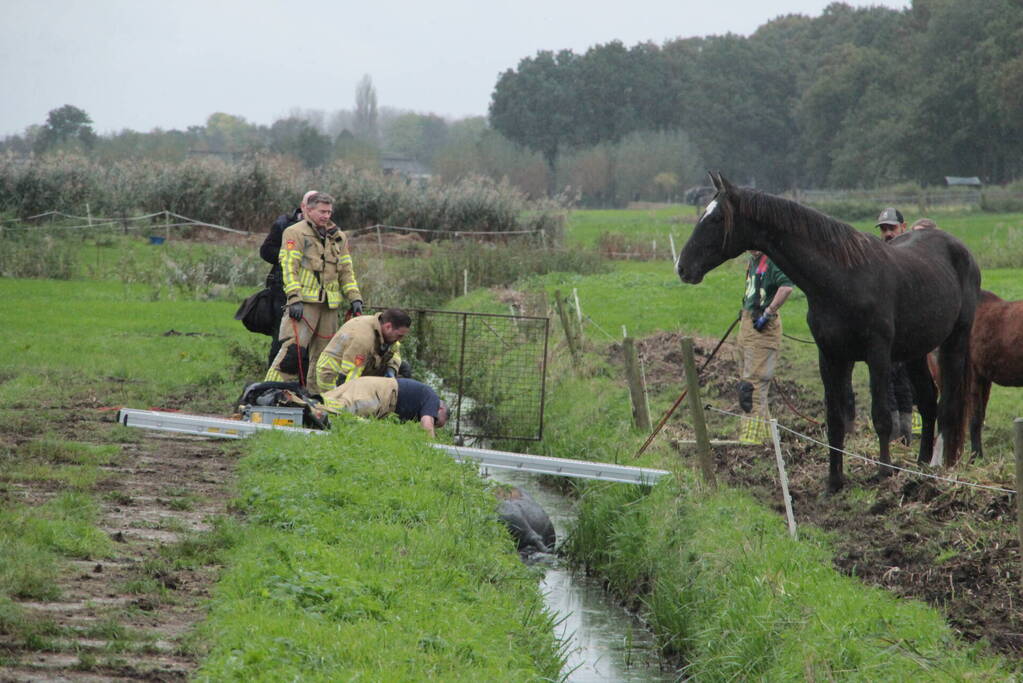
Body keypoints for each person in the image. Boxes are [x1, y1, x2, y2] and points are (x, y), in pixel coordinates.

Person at [264, 192, 364, 388]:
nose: (326, 216)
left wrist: (355, 298)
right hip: (304, 305)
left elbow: (346, 270)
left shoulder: (338, 237)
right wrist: (294, 298)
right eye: (322, 211)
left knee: (325, 358)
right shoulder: (295, 232)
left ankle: (318, 403)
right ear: (308, 209)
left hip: (330, 306)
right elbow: (289, 267)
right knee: (292, 353)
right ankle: (265, 393)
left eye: (329, 212)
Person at [737, 250, 794, 444]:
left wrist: (769, 312)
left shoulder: (772, 260)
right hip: (747, 322)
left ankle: (751, 438)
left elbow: (786, 287)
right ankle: (765, 435)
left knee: (752, 385)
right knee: (747, 381)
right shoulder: (753, 261)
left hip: (762, 328)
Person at [260, 190, 316, 368]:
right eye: (310, 205)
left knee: (308, 339)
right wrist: (290, 257)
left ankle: (302, 379)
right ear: (303, 206)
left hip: (312, 292)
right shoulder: (283, 224)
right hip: (281, 288)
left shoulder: (325, 228)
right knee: (282, 336)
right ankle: (273, 378)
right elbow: (266, 251)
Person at [876, 207, 915, 444]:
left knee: (905, 381)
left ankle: (906, 434)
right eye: (884, 229)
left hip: (909, 330)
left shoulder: (912, 255)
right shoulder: (881, 255)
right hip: (887, 331)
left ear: (903, 226)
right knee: (888, 379)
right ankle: (895, 436)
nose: (888, 233)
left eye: (892, 228)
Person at [314, 308, 411, 394]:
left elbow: (395, 352)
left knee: (404, 368)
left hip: (360, 369)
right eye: (399, 336)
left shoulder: (385, 332)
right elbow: (349, 376)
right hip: (334, 376)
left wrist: (391, 369)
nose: (400, 339)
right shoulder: (363, 339)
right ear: (388, 327)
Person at [320, 376, 448, 438]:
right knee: (338, 410)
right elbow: (427, 422)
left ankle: (306, 407)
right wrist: (432, 446)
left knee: (327, 400)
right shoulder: (433, 399)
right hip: (380, 393)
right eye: (436, 421)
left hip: (373, 388)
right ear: (440, 409)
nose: (433, 424)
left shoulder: (422, 399)